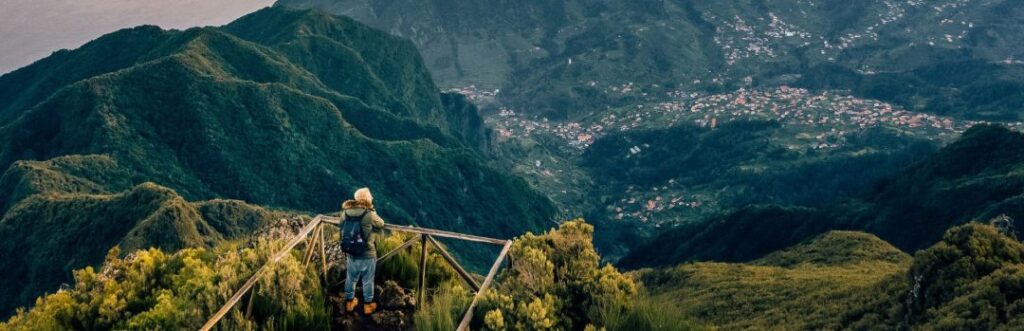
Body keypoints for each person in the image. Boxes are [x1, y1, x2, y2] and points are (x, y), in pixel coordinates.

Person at [340, 187, 386, 314]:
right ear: (366, 199)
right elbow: (381, 224)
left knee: (351, 278)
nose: (372, 198)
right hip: (367, 253)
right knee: (367, 280)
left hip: (350, 251)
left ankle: (349, 302)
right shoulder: (369, 214)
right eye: (370, 196)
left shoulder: (346, 212)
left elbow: (341, 226)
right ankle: (368, 305)